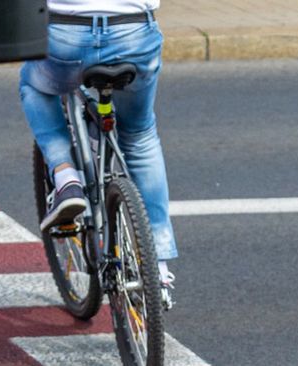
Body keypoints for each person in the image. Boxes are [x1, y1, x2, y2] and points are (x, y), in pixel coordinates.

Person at [19, 0, 178, 302]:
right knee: (139, 134)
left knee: (34, 85)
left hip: (64, 36)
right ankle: (157, 265)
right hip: (133, 33)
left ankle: (66, 178)